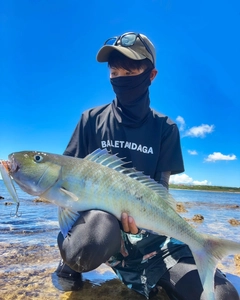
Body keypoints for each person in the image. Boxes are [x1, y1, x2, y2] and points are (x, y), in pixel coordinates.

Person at [55, 32, 239, 300]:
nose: (120, 77)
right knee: (88, 242)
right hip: (98, 227)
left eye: (130, 71)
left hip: (147, 231)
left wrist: (143, 224)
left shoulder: (166, 129)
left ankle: (165, 268)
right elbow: (65, 184)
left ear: (151, 75)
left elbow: (161, 191)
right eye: (114, 71)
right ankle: (73, 258)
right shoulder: (90, 120)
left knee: (224, 296)